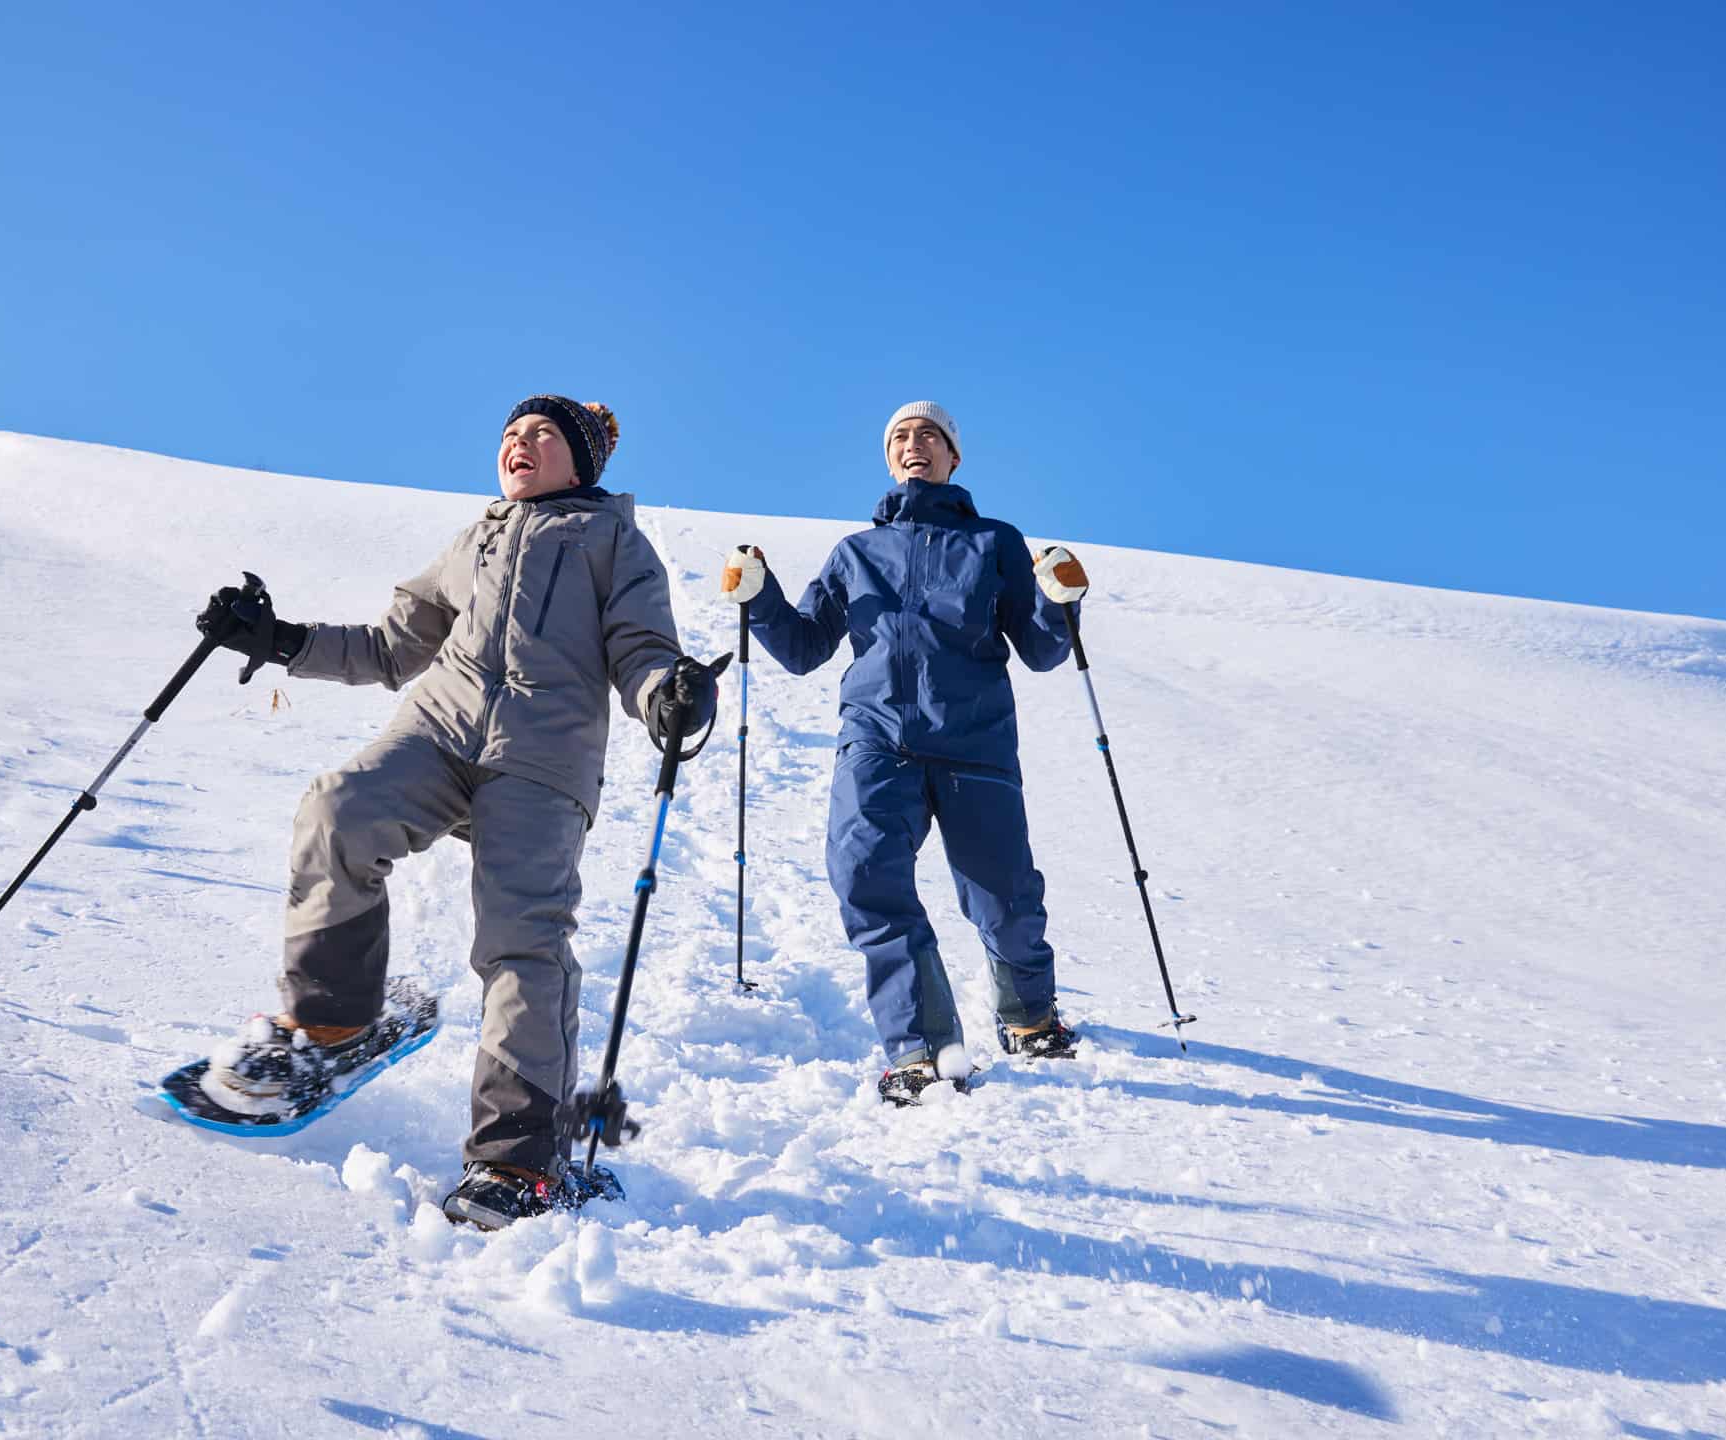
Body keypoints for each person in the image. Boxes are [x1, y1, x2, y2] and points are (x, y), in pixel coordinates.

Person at [195, 395, 719, 1226]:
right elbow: (389, 648)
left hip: (542, 759)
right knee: (339, 808)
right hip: (436, 732)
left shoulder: (614, 541)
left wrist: (665, 697)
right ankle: (332, 1023)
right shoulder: (472, 541)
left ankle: (515, 1161)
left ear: (581, 461)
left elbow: (641, 650)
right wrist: (282, 640)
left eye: (542, 435)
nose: (519, 443)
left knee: (522, 936)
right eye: (510, 434)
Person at [720, 401, 1091, 1105]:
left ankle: (1029, 1017)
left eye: (928, 436)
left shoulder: (994, 542)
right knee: (864, 877)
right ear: (887, 458)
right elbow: (802, 649)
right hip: (875, 740)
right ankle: (924, 1047)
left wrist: (1059, 600)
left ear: (953, 456)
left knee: (1002, 894)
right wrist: (760, 597)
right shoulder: (856, 553)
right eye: (899, 438)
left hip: (973, 744)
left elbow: (1042, 651)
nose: (913, 446)